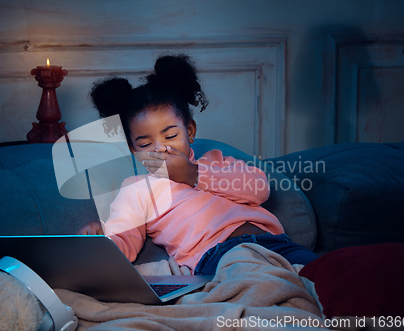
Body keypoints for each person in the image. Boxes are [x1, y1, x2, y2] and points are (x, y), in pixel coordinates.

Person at [77, 54, 318, 275]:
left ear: (189, 131)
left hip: (276, 243)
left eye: (170, 136)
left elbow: (259, 189)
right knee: (263, 286)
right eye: (145, 143)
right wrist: (102, 239)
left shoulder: (216, 161)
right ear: (133, 150)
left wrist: (193, 174)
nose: (160, 148)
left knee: (329, 274)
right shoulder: (137, 190)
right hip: (218, 256)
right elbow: (125, 239)